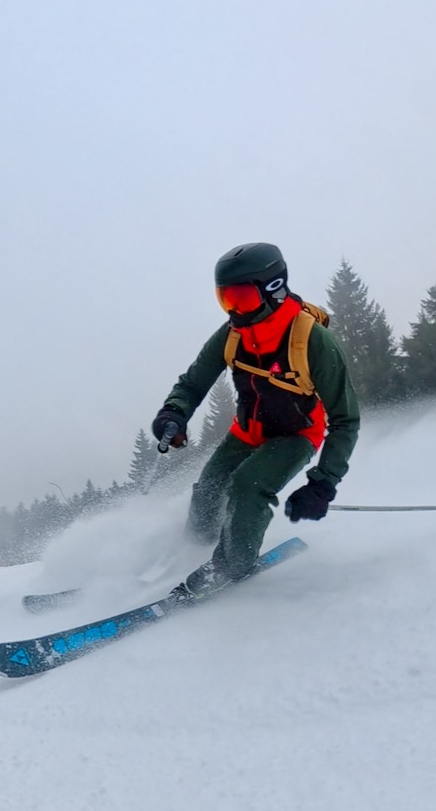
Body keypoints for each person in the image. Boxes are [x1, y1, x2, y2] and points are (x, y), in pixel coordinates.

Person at [151, 242, 360, 601]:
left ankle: (231, 565)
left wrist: (322, 485)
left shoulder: (313, 341)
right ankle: (193, 547)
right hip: (248, 431)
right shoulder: (233, 334)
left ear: (274, 290)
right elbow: (193, 382)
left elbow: (346, 420)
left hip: (296, 435)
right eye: (225, 300)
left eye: (242, 299)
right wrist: (174, 412)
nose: (234, 310)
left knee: (247, 486)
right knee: (209, 488)